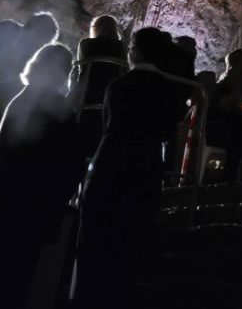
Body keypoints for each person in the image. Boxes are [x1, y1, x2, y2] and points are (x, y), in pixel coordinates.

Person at [75, 27, 185, 309]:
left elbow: (107, 126)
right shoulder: (169, 91)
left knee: (94, 240)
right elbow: (168, 131)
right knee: (130, 244)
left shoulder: (118, 86)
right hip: (146, 167)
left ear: (134, 52)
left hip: (110, 162)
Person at [0, 43, 83, 309]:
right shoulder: (59, 108)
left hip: (8, 197)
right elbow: (72, 163)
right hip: (37, 205)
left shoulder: (19, 99)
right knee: (20, 275)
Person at [74, 14, 127, 157]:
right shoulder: (122, 47)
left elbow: (81, 68)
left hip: (88, 94)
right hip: (111, 96)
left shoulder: (85, 44)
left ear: (96, 28)